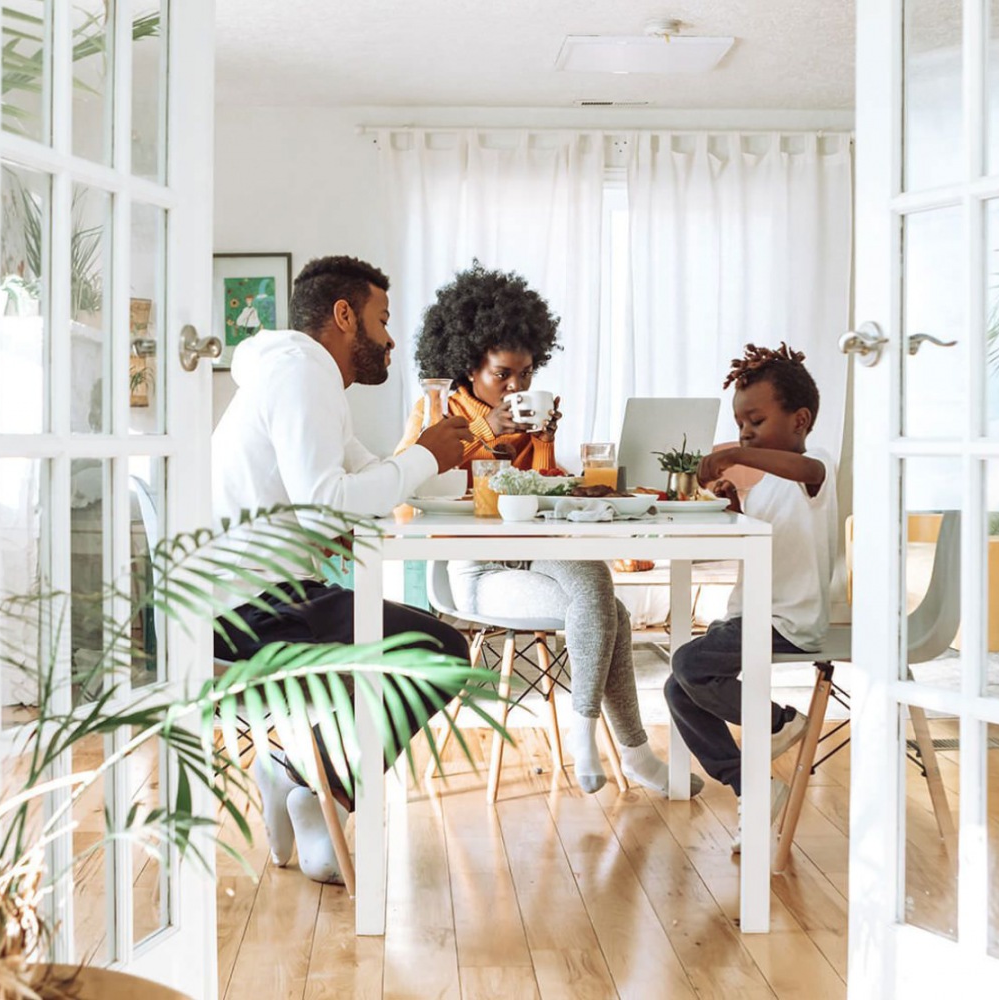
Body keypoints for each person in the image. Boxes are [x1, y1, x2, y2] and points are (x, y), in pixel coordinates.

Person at [212, 254, 477, 884]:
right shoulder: (302, 377)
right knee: (440, 651)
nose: (389, 339)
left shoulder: (301, 377)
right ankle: (312, 788)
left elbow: (356, 479)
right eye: (382, 320)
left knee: (426, 642)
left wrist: (424, 459)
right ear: (343, 315)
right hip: (241, 610)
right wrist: (422, 456)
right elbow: (330, 502)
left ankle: (301, 777)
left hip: (261, 592)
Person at [395, 264, 690, 796]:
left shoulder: (528, 417)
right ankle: (624, 749)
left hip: (533, 552)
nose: (516, 386)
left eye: (526, 373)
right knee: (611, 611)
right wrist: (487, 429)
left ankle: (597, 739)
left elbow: (536, 492)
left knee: (596, 582)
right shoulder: (437, 411)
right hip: (476, 569)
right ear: (467, 364)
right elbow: (404, 495)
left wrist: (547, 441)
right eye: (502, 374)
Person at [665, 343, 839, 851]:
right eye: (741, 425)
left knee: (690, 666)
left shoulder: (816, 467)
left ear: (801, 420)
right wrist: (735, 501)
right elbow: (762, 538)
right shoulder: (766, 487)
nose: (744, 434)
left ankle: (782, 722)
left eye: (756, 422)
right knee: (679, 689)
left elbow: (805, 476)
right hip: (749, 615)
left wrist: (738, 455)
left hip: (788, 620)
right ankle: (753, 786)